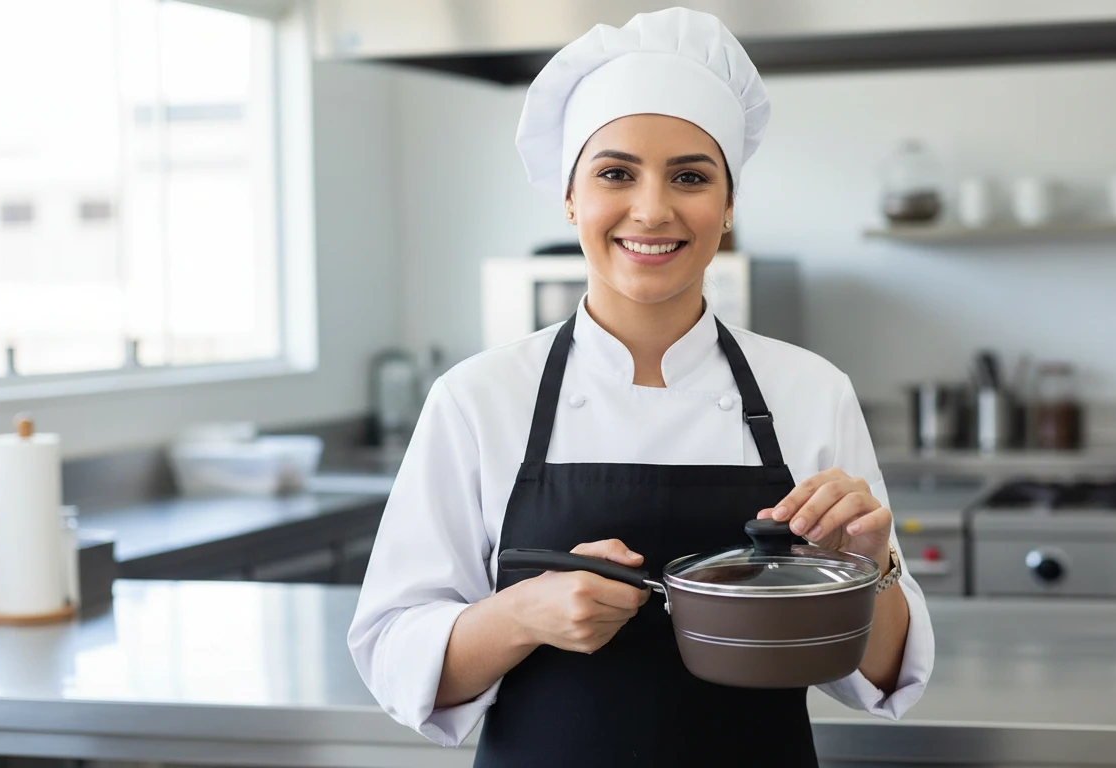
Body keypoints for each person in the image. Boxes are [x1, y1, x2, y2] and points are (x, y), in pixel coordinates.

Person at [348, 8, 934, 767]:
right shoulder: (477, 398)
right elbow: (395, 655)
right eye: (615, 173)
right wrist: (522, 613)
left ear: (727, 209)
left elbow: (882, 674)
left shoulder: (811, 390)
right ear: (569, 199)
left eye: (691, 176)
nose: (652, 209)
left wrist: (871, 562)